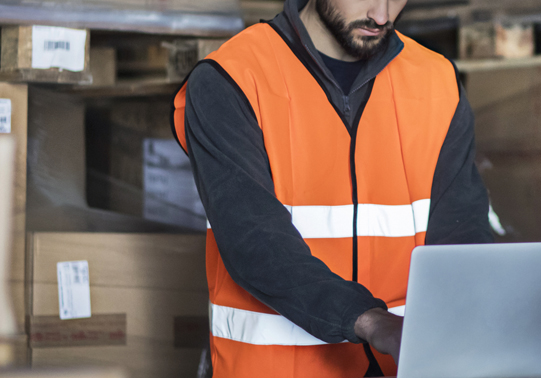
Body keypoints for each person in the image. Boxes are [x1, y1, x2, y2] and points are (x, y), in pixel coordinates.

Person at [170, 0, 493, 375]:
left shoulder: (436, 81)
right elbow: (255, 243)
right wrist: (374, 323)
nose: (382, 15)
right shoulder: (232, 78)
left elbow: (463, 235)